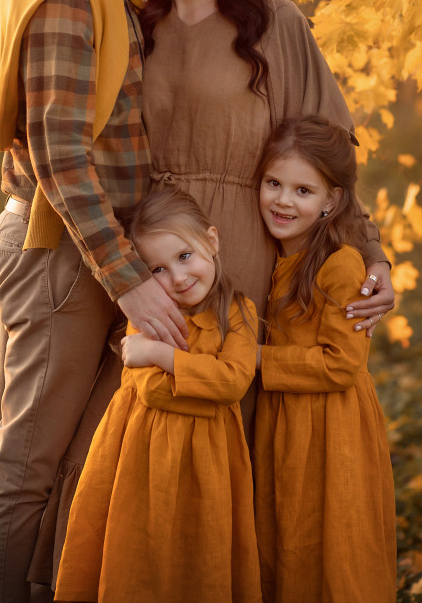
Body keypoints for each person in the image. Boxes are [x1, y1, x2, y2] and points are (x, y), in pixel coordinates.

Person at [0, 0, 190, 603]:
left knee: (62, 462)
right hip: (65, 252)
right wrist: (129, 277)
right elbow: (60, 153)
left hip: (79, 247)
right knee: (25, 468)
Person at [135, 0, 396, 432]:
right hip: (151, 248)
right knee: (149, 416)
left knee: (228, 415)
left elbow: (325, 158)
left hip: (241, 246)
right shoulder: (132, 9)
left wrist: (374, 254)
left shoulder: (273, 22)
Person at [55, 190, 261, 603]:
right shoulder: (149, 314)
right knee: (141, 546)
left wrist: (163, 355)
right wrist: (210, 388)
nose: (178, 278)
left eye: (185, 256)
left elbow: (235, 383)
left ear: (213, 241)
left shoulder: (238, 311)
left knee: (203, 544)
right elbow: (152, 391)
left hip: (211, 459)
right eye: (159, 269)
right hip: (144, 455)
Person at [254, 115, 397, 602]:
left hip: (331, 425)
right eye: (273, 183)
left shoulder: (340, 264)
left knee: (333, 541)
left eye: (302, 190)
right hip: (287, 420)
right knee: (287, 534)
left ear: (331, 202)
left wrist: (255, 360)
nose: (283, 200)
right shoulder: (275, 255)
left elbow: (341, 364)